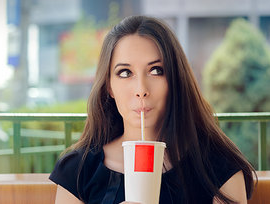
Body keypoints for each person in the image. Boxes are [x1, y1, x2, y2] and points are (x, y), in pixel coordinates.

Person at [49, 15, 255, 204]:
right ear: (109, 86)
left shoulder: (218, 166)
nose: (141, 90)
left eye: (156, 71)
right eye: (125, 72)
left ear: (175, 79)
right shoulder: (78, 169)